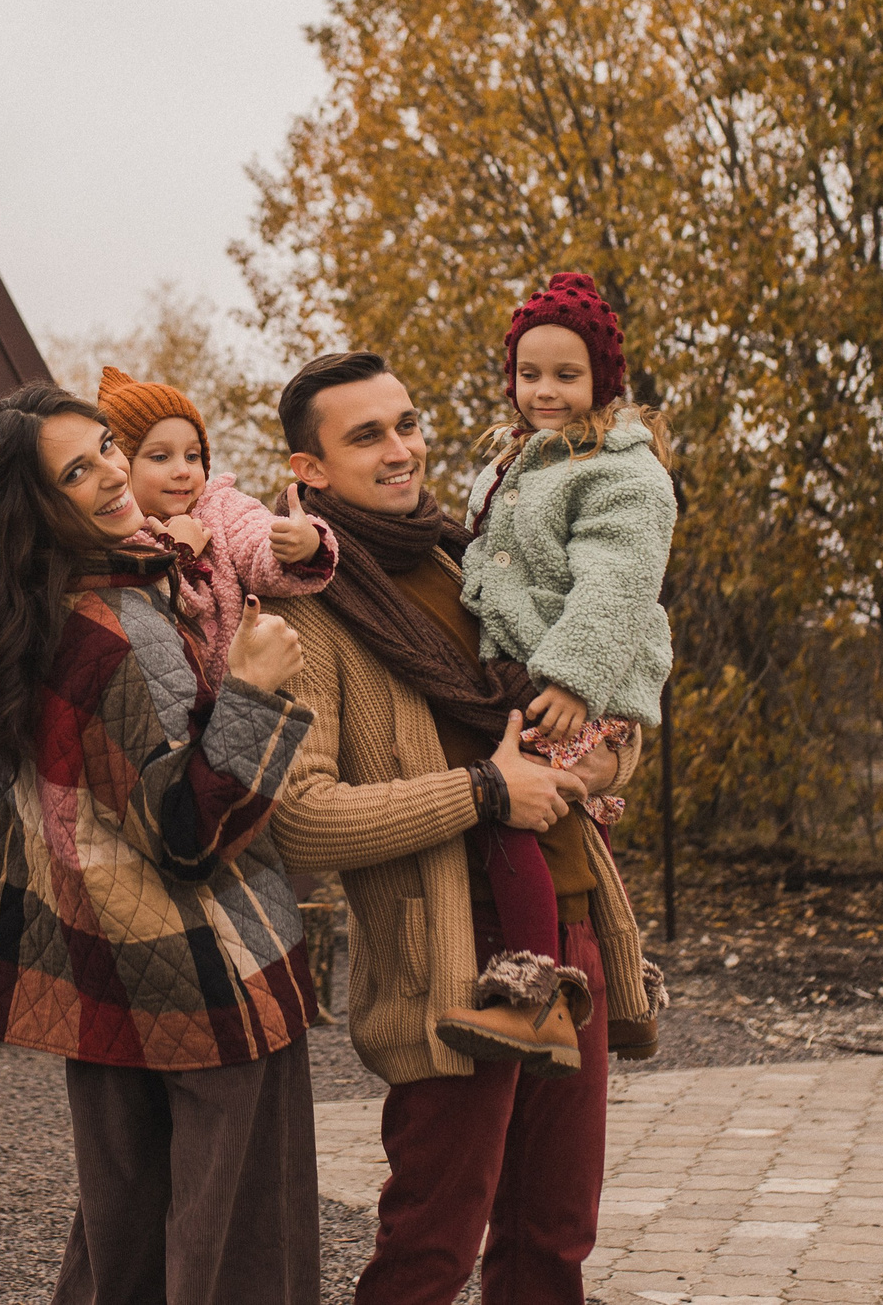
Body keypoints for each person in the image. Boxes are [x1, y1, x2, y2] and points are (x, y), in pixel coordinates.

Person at [0, 384, 323, 1305]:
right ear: (33, 508)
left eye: (103, 447)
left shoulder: (13, 623)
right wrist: (255, 690)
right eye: (76, 471)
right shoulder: (114, 629)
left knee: (120, 1252)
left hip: (103, 985)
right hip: (213, 982)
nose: (111, 473)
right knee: (238, 1259)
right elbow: (188, 832)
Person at [266, 350, 638, 1304]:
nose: (402, 449)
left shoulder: (472, 555)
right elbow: (299, 817)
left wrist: (610, 759)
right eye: (367, 436)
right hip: (452, 950)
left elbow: (589, 691)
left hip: (573, 919)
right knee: (432, 1244)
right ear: (309, 469)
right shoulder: (307, 610)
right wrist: (484, 791)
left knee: (555, 1235)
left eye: (408, 423)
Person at [443, 273, 677, 1070]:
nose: (544, 390)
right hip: (534, 676)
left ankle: (535, 994)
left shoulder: (623, 473)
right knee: (570, 838)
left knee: (513, 814)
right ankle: (623, 993)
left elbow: (616, 581)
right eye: (529, 372)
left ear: (602, 380)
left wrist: (576, 679)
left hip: (579, 685)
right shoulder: (518, 460)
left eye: (566, 374)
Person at [97, 364, 340, 689]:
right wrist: (177, 552)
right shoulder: (117, 535)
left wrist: (301, 545)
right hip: (175, 697)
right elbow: (146, 606)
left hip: (245, 683)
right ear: (121, 467)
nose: (183, 470)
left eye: (192, 456)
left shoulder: (219, 506)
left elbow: (253, 536)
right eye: (160, 458)